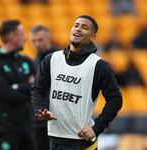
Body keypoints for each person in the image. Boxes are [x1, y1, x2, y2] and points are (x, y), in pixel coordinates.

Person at [31, 15, 123, 150]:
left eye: (84, 27)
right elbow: (37, 89)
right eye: (76, 25)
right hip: (55, 140)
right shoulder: (51, 59)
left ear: (93, 37)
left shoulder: (98, 65)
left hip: (81, 142)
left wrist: (97, 128)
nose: (78, 29)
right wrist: (40, 109)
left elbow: (115, 99)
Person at [0, 20, 37, 150]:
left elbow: (40, 87)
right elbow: (6, 94)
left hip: (29, 126)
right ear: (12, 38)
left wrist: (17, 86)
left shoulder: (26, 61)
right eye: (22, 34)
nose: (25, 38)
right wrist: (28, 87)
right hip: (7, 129)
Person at [29, 25, 59, 150]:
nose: (37, 43)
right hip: (40, 119)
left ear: (49, 39)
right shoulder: (35, 62)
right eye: (34, 41)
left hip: (57, 119)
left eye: (40, 40)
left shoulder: (59, 58)